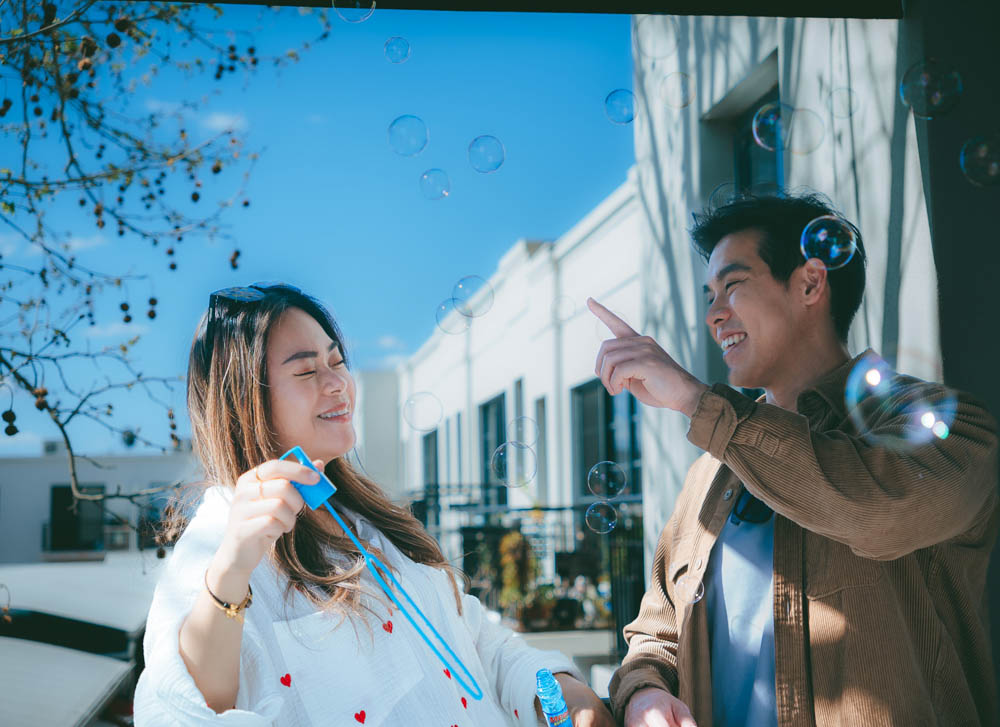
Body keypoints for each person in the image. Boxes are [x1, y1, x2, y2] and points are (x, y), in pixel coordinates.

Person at [591, 193, 998, 726]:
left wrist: (697, 401)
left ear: (810, 283)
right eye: (709, 294)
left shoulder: (951, 427)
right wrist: (644, 693)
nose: (714, 315)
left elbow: (875, 511)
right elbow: (657, 629)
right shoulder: (709, 473)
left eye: (732, 286)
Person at [133, 283, 615, 726]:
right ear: (244, 401)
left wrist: (560, 694)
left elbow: (478, 643)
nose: (337, 382)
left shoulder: (367, 521)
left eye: (337, 361)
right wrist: (231, 568)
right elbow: (183, 709)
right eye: (305, 370)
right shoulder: (220, 542)